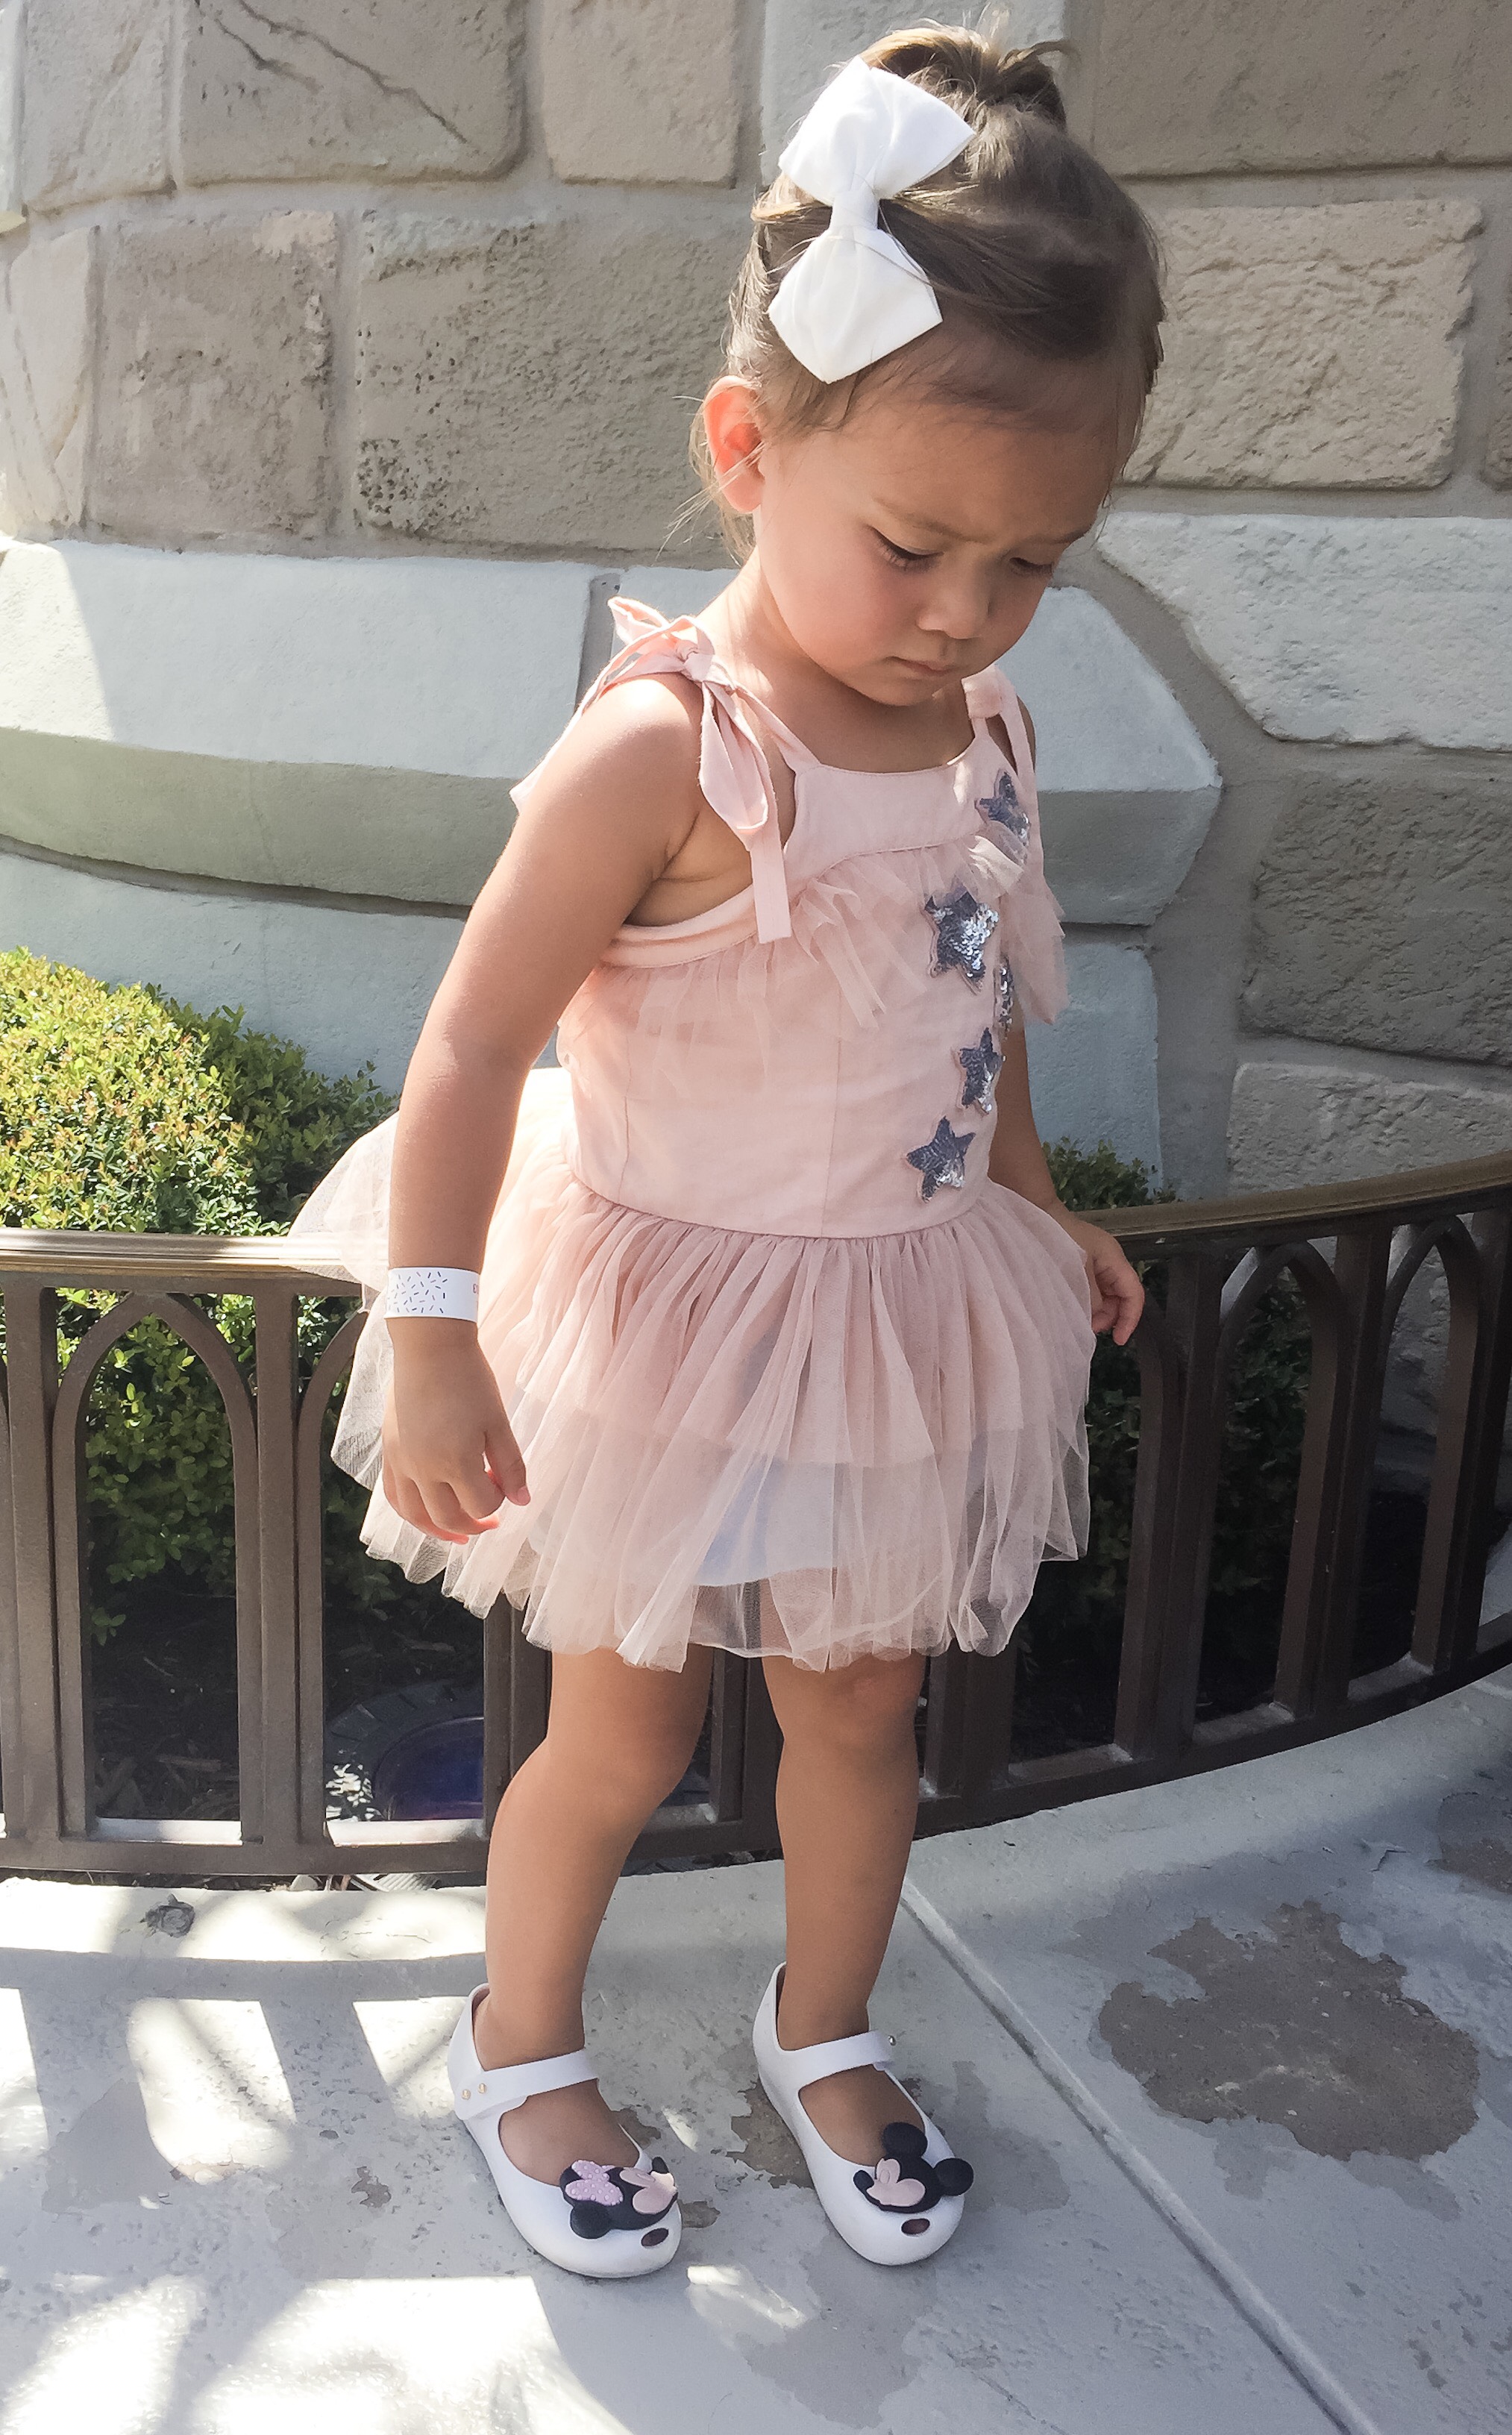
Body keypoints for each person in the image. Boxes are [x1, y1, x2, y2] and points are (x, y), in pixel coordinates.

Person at [292, 25, 1161, 2279]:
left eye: (1031, 562)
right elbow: (477, 1042)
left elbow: (977, 987)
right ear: (747, 449)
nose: (966, 610)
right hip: (668, 1314)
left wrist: (1027, 1199)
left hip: (893, 1311)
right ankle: (520, 2042)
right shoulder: (670, 747)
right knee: (624, 1714)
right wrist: (436, 1327)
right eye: (915, 546)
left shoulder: (983, 730)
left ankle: (825, 2022)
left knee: (859, 1705)